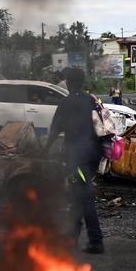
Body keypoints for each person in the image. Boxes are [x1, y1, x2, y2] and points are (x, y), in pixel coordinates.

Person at [47, 67, 105, 255]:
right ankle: (72, 237)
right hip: (93, 156)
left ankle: (96, 241)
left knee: (84, 197)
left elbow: (55, 130)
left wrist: (45, 149)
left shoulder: (66, 103)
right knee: (77, 195)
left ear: (70, 83)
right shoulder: (91, 100)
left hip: (76, 159)